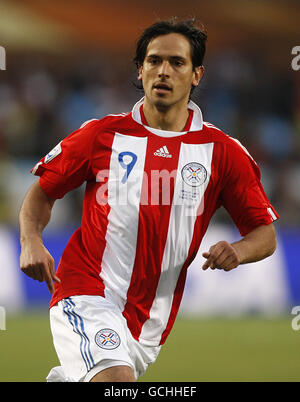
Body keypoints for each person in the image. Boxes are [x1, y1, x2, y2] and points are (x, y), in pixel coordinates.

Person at [19, 18, 279, 382]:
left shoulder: (223, 153)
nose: (164, 71)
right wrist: (31, 240)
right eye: (154, 61)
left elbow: (264, 234)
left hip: (149, 323)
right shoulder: (101, 135)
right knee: (116, 383)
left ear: (197, 74)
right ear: (140, 70)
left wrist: (238, 251)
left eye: (177, 62)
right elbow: (41, 194)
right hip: (86, 289)